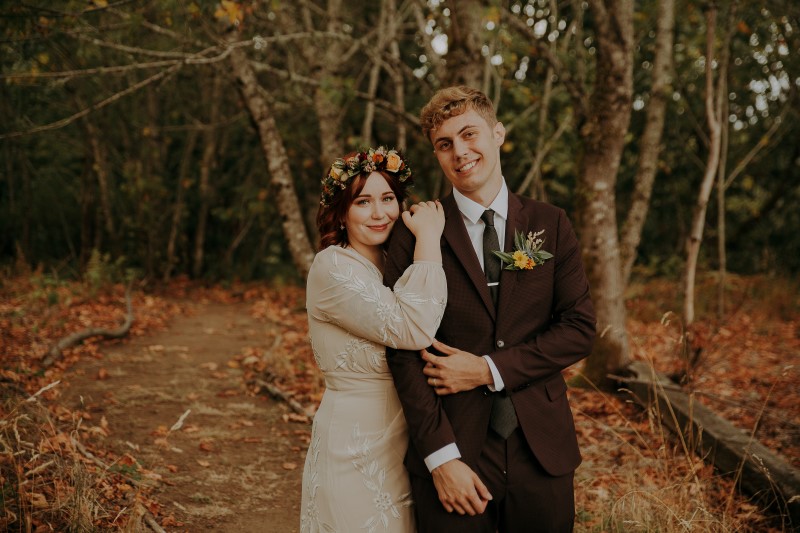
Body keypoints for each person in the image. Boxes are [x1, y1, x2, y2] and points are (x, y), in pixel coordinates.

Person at [384, 86, 596, 532]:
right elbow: (401, 350)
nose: (460, 152)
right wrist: (441, 458)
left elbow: (578, 329)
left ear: (497, 133)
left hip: (541, 447)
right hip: (455, 447)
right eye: (445, 145)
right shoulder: (415, 231)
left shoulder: (549, 223)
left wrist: (488, 369)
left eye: (469, 134)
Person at [300, 146, 446, 533]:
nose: (379, 213)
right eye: (363, 202)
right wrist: (430, 238)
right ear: (342, 213)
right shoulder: (332, 266)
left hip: (408, 436)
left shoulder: (392, 262)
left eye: (388, 199)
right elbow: (414, 328)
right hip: (355, 443)